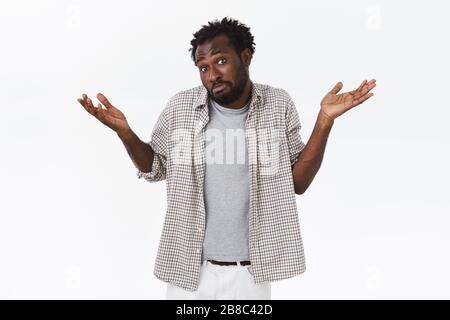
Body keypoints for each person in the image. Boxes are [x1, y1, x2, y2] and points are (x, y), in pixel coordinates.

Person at [77, 17, 376, 300]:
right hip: (190, 272)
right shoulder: (180, 107)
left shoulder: (278, 104)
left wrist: (324, 120)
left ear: (246, 56)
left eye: (221, 61)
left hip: (250, 275)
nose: (213, 75)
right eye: (203, 67)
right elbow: (154, 168)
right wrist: (125, 133)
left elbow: (297, 182)